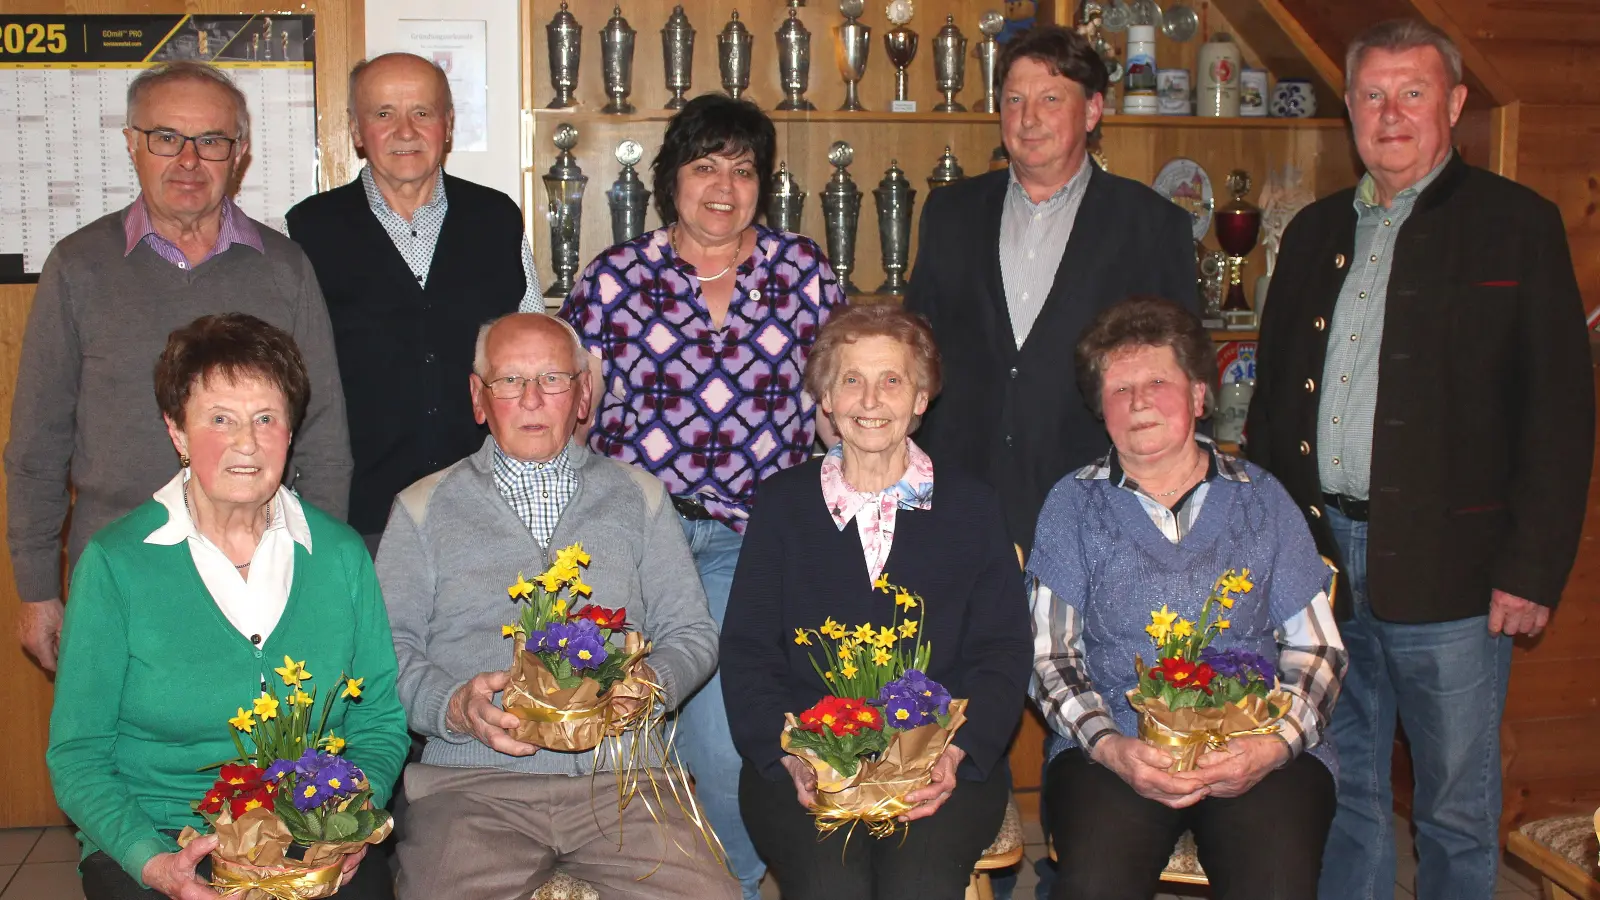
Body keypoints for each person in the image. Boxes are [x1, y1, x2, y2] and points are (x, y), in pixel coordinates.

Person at [1244, 20, 1593, 900]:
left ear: (1456, 105)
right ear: (1349, 110)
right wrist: (1270, 552)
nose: (1390, 113)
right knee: (1344, 789)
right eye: (1372, 95)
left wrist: (1531, 571)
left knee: (1454, 808)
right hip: (1323, 567)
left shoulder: (1519, 226)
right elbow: (1276, 402)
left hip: (1460, 575)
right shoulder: (1316, 229)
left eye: (1413, 93)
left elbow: (1560, 417)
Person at [557, 92, 845, 900]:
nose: (724, 185)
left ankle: (735, 884)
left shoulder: (802, 273)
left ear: (765, 183)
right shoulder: (614, 280)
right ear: (669, 179)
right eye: (704, 165)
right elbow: (574, 421)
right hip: (635, 534)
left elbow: (835, 411)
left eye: (744, 169)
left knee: (721, 738)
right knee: (622, 735)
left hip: (749, 537)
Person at [46, 313, 407, 900]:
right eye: (220, 420)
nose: (247, 442)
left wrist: (349, 826)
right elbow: (78, 754)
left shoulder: (339, 554)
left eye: (266, 418)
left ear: (290, 431)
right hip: (162, 837)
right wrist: (155, 862)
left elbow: (379, 720)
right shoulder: (116, 565)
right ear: (177, 432)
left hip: (311, 835)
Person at [7, 60, 351, 674]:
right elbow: (38, 442)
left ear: (239, 153)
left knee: (266, 759)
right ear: (133, 144)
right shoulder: (79, 267)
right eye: (167, 138)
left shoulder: (284, 268)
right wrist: (37, 586)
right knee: (121, 757)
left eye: (211, 141)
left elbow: (323, 438)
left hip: (261, 572)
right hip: (119, 568)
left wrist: (320, 569)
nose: (189, 161)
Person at [378, 313, 736, 900]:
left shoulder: (640, 497)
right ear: (478, 397)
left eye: (553, 378)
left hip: (626, 783)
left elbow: (692, 631)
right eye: (510, 381)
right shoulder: (422, 508)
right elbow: (387, 649)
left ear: (583, 394)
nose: (533, 398)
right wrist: (455, 706)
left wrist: (649, 685)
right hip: (473, 786)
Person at [1028, 297, 1346, 899]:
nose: (1139, 401)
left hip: (1254, 746)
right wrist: (1113, 747)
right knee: (1095, 883)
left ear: (1199, 397)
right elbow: (1052, 657)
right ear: (1101, 408)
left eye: (1157, 382)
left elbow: (1318, 647)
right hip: (1116, 751)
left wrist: (1273, 746)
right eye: (1119, 389)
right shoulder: (1072, 505)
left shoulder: (1263, 499)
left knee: (1275, 883)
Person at [720, 304, 1031, 900]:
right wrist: (789, 756)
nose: (870, 400)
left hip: (942, 761)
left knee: (916, 884)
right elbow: (748, 650)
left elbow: (1003, 650)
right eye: (851, 380)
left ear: (921, 399)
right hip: (804, 762)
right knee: (830, 884)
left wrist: (961, 751)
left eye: (892, 380)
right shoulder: (782, 506)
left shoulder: (973, 507)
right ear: (826, 400)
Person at [904, 25, 1197, 553]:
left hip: (1100, 504)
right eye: (1014, 99)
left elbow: (1180, 374)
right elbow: (916, 350)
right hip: (960, 501)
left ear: (1091, 112)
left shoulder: (1154, 226)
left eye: (1050, 98)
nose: (1028, 117)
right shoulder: (948, 213)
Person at [287, 52, 539, 553]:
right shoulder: (305, 232)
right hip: (357, 519)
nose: (405, 130)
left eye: (422, 112)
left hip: (490, 510)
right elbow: (285, 381)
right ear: (357, 131)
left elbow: (533, 356)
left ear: (447, 125)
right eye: (383, 114)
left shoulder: (497, 220)